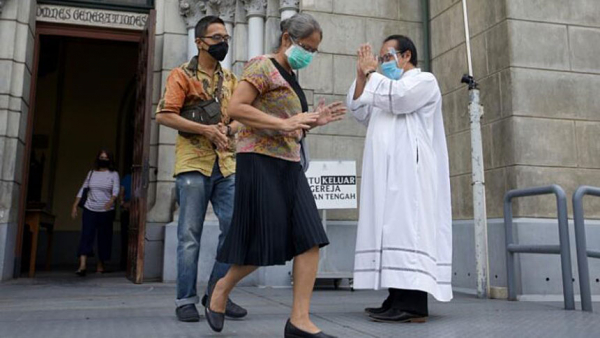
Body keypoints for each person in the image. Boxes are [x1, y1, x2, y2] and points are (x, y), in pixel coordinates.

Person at [205, 13, 346, 338]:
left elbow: (288, 120)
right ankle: (221, 290)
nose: (309, 55)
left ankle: (299, 321)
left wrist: (312, 121)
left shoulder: (290, 74)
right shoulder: (261, 65)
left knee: (310, 238)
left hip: (289, 163)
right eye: (306, 47)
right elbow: (237, 109)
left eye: (314, 50)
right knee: (264, 243)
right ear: (287, 39)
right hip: (260, 161)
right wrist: (284, 124)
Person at [347, 35, 453, 323]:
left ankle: (414, 304)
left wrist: (371, 73)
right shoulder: (384, 87)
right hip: (385, 172)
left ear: (406, 56)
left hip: (410, 172)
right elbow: (360, 110)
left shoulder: (423, 81)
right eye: (379, 59)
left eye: (386, 57)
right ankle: (395, 297)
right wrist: (361, 75)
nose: (381, 63)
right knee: (388, 228)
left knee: (408, 228)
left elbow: (400, 100)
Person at [155, 15, 247, 323]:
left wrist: (231, 129)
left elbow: (240, 115)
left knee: (235, 229)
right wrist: (205, 130)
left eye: (226, 38)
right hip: (193, 164)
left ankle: (216, 295)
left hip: (227, 163)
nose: (223, 43)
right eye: (217, 37)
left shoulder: (231, 79)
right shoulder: (181, 75)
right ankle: (185, 299)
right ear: (200, 42)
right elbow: (164, 115)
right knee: (189, 234)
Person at [71, 149, 120, 276]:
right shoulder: (91, 173)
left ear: (110, 160)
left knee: (104, 238)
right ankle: (82, 266)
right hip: (90, 209)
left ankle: (100, 265)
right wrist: (75, 205)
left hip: (106, 210)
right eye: (101, 157)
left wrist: (111, 200)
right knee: (86, 236)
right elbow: (83, 189)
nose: (103, 160)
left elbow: (116, 189)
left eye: (106, 158)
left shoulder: (113, 174)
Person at [119, 172, 132, 270]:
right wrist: (122, 203)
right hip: (127, 210)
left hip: (137, 210)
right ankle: (125, 263)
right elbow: (121, 192)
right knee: (126, 237)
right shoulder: (127, 177)